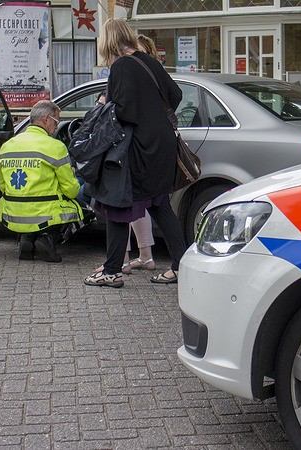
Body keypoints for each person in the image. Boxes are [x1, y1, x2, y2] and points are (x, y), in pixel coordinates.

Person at [83, 18, 187, 288]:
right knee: (159, 204)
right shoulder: (148, 60)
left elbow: (123, 110)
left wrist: (106, 103)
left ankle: (111, 271)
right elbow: (175, 95)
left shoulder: (121, 65)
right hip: (162, 144)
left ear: (107, 41)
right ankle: (181, 266)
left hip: (137, 146)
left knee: (116, 203)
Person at [0, 100, 83, 262]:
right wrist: (72, 176)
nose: (57, 127)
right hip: (44, 214)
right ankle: (46, 238)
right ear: (46, 119)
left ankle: (27, 238)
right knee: (78, 200)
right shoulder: (55, 147)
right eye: (56, 121)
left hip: (12, 213)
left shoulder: (7, 146)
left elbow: (2, 186)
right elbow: (71, 190)